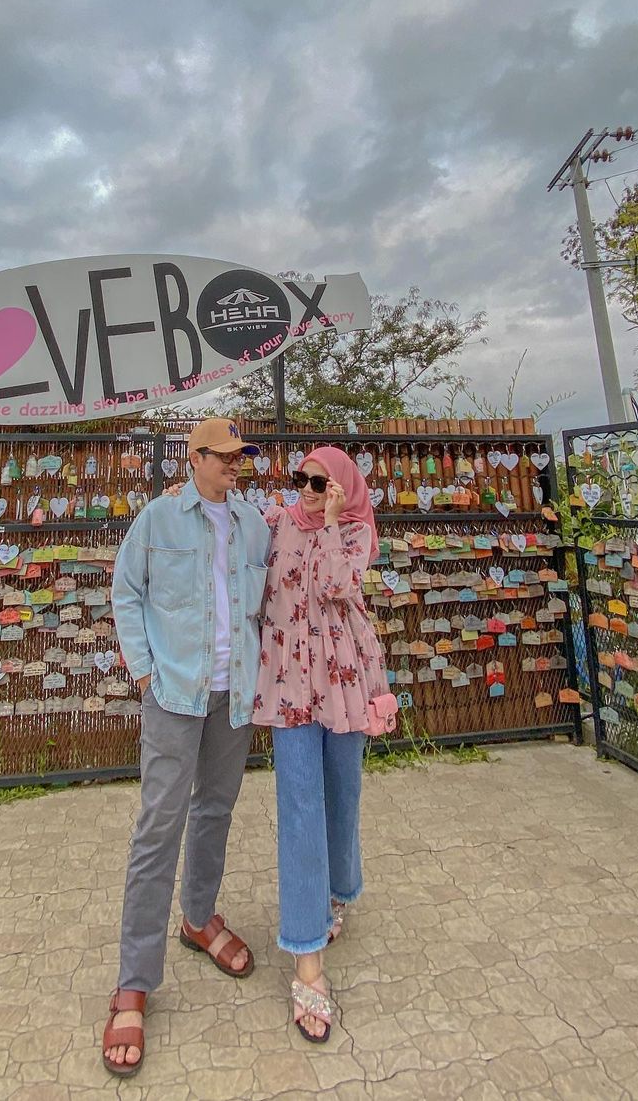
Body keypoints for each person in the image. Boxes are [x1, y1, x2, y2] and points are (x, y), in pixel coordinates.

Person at [103, 417, 270, 1077]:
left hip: (236, 696)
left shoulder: (255, 523)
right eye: (225, 456)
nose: (236, 465)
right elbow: (126, 592)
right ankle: (133, 980)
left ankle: (199, 918)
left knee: (217, 809)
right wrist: (144, 667)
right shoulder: (157, 519)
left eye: (241, 456)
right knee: (158, 826)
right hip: (173, 693)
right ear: (194, 458)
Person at [252, 445, 387, 1043]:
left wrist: (331, 522)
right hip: (287, 683)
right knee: (301, 807)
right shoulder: (276, 524)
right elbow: (232, 543)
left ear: (342, 487)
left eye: (320, 481)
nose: (308, 489)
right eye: (301, 479)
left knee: (343, 792)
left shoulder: (356, 533)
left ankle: (339, 892)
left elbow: (337, 586)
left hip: (344, 681)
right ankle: (308, 958)